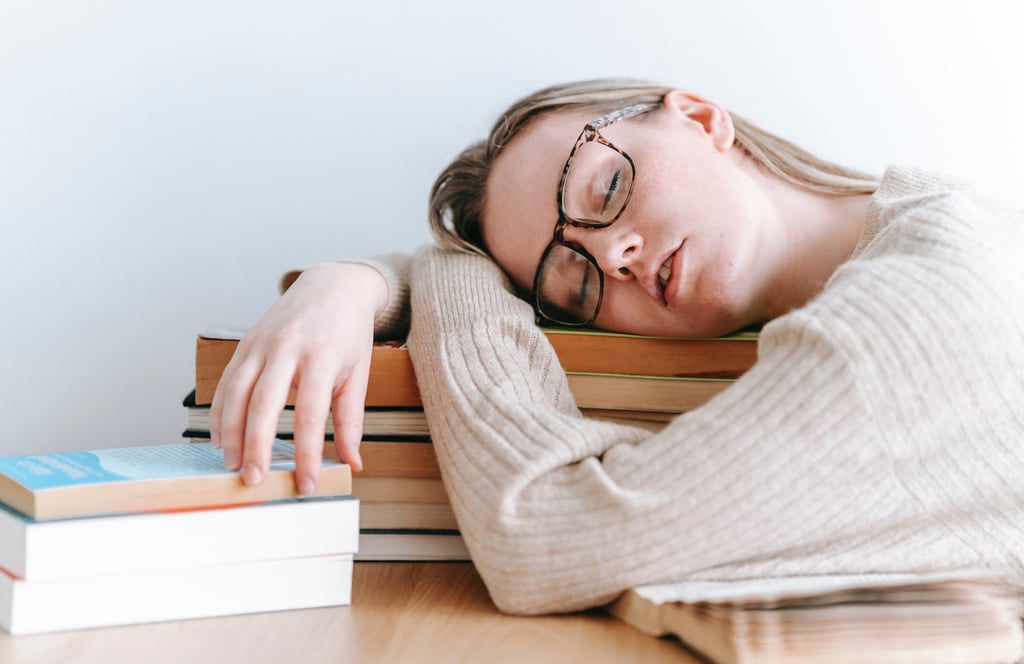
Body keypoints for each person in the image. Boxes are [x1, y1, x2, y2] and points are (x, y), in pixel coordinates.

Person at [210, 79, 1024, 615]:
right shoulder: (930, 225)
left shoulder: (915, 308)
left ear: (701, 118)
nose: (613, 258)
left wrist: (434, 268)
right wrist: (354, 281)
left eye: (602, 189)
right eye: (573, 284)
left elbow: (540, 533)